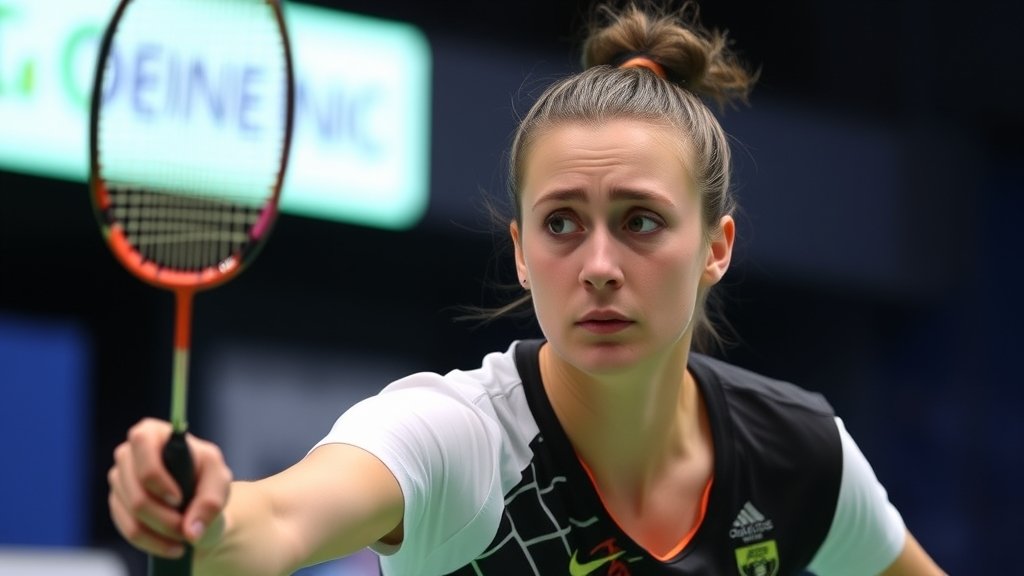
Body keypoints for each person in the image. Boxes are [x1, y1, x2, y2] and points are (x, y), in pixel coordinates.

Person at [107, 2, 947, 575]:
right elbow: (276, 524)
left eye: (642, 221)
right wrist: (201, 519)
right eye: (560, 223)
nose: (599, 264)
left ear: (717, 247)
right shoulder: (457, 439)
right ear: (518, 251)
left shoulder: (796, 453)